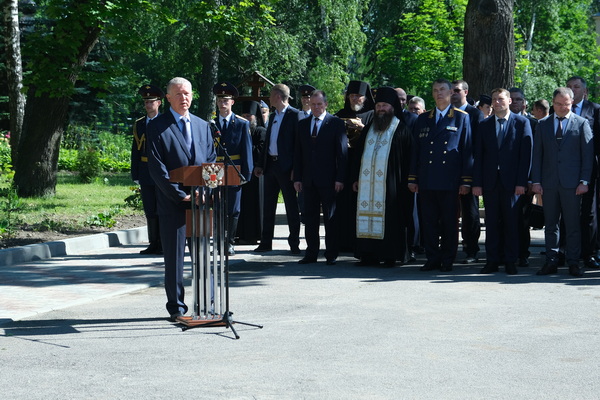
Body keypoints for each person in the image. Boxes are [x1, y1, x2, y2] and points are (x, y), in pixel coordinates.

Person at [147, 77, 216, 321]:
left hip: (200, 202)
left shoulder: (202, 125)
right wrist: (180, 194)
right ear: (167, 98)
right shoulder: (157, 126)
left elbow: (211, 161)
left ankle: (206, 303)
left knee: (201, 255)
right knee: (175, 259)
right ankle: (176, 307)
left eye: (186, 93)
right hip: (172, 203)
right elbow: (157, 168)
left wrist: (204, 191)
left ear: (193, 95)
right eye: (178, 94)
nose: (183, 98)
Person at [409, 78, 473, 272]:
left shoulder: (461, 117)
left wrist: (466, 180)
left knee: (449, 223)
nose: (439, 93)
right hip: (427, 179)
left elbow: (467, 150)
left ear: (451, 92)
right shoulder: (423, 118)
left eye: (443, 90)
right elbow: (416, 150)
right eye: (435, 90)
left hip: (449, 180)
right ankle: (432, 257)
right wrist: (413, 178)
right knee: (428, 222)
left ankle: (447, 258)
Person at [531, 87, 594, 277]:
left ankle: (573, 262)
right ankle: (551, 260)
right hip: (549, 184)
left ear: (572, 103)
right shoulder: (542, 125)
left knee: (573, 224)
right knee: (551, 224)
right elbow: (537, 156)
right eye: (558, 104)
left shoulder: (582, 123)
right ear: (553, 103)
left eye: (566, 104)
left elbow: (587, 156)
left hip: (573, 185)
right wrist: (536, 181)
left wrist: (584, 181)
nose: (562, 107)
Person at [472, 88, 533, 275]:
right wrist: (477, 183)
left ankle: (510, 260)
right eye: (494, 100)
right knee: (492, 223)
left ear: (509, 101)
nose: (496, 103)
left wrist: (522, 182)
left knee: (511, 223)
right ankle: (492, 260)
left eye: (500, 99)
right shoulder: (484, 125)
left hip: (512, 183)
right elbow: (478, 156)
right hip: (490, 182)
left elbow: (526, 156)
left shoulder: (522, 123)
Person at [351, 86, 413, 267]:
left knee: (391, 219)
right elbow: (358, 155)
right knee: (365, 216)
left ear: (393, 107)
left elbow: (408, 159)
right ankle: (368, 254)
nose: (381, 109)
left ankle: (389, 254)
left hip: (392, 187)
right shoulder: (369, 128)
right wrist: (355, 178)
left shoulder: (401, 129)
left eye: (385, 105)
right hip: (366, 186)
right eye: (378, 105)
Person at [294, 90, 348, 265]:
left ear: (326, 105)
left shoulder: (336, 123)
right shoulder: (302, 125)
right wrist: (298, 178)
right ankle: (311, 253)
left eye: (319, 104)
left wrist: (340, 178)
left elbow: (342, 154)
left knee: (330, 218)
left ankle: (331, 253)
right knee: (310, 218)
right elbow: (299, 153)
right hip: (308, 180)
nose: (316, 107)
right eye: (313, 104)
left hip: (330, 180)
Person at [254, 84, 301, 254]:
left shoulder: (295, 115)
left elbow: (298, 145)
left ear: (279, 97)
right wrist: (260, 164)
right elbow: (268, 142)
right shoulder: (273, 116)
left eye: (271, 95)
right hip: (271, 165)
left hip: (287, 168)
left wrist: (296, 168)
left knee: (291, 205)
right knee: (268, 206)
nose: (269, 98)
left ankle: (294, 243)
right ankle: (266, 242)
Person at [212, 82, 253, 256]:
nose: (223, 103)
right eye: (220, 100)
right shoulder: (210, 124)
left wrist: (247, 173)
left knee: (233, 209)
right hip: (214, 169)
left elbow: (247, 150)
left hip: (234, 169)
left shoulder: (242, 124)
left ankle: (229, 242)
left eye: (226, 100)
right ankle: (218, 241)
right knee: (216, 206)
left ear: (232, 102)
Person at [334, 80, 375, 253]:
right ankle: (343, 241)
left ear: (365, 98)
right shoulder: (339, 114)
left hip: (364, 165)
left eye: (358, 96)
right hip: (343, 166)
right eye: (352, 95)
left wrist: (362, 128)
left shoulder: (373, 115)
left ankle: (362, 242)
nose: (355, 99)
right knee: (342, 205)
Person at [566, 76, 600, 269]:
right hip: (565, 168)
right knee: (565, 211)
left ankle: (588, 253)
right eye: (569, 86)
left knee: (588, 213)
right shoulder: (559, 108)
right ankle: (565, 250)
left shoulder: (594, 110)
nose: (572, 90)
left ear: (584, 91)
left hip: (589, 170)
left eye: (576, 87)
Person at [451, 79, 484, 264]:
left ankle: (472, 250)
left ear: (465, 92)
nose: (453, 93)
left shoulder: (474, 114)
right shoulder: (447, 113)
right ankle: (449, 248)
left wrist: (474, 176)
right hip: (449, 171)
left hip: (469, 171)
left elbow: (478, 147)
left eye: (457, 90)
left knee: (470, 214)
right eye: (451, 90)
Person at [131, 84, 164, 255]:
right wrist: (135, 172)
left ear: (159, 103)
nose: (148, 105)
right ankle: (153, 243)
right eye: (146, 102)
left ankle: (163, 243)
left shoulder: (165, 122)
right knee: (150, 208)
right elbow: (135, 150)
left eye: (151, 101)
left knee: (162, 208)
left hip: (162, 170)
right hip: (145, 169)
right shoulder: (140, 124)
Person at [509, 87, 538, 267]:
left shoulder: (534, 124)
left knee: (522, 220)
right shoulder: (494, 122)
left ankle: (522, 253)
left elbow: (536, 154)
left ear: (524, 103)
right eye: (512, 99)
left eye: (519, 99)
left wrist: (531, 180)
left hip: (525, 181)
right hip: (502, 180)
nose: (515, 102)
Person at [237, 100, 267, 245]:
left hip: (256, 173)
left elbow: (261, 151)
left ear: (255, 117)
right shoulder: (239, 130)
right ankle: (241, 234)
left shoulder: (260, 131)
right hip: (241, 172)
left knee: (254, 204)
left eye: (249, 116)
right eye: (243, 116)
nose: (246, 118)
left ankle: (255, 234)